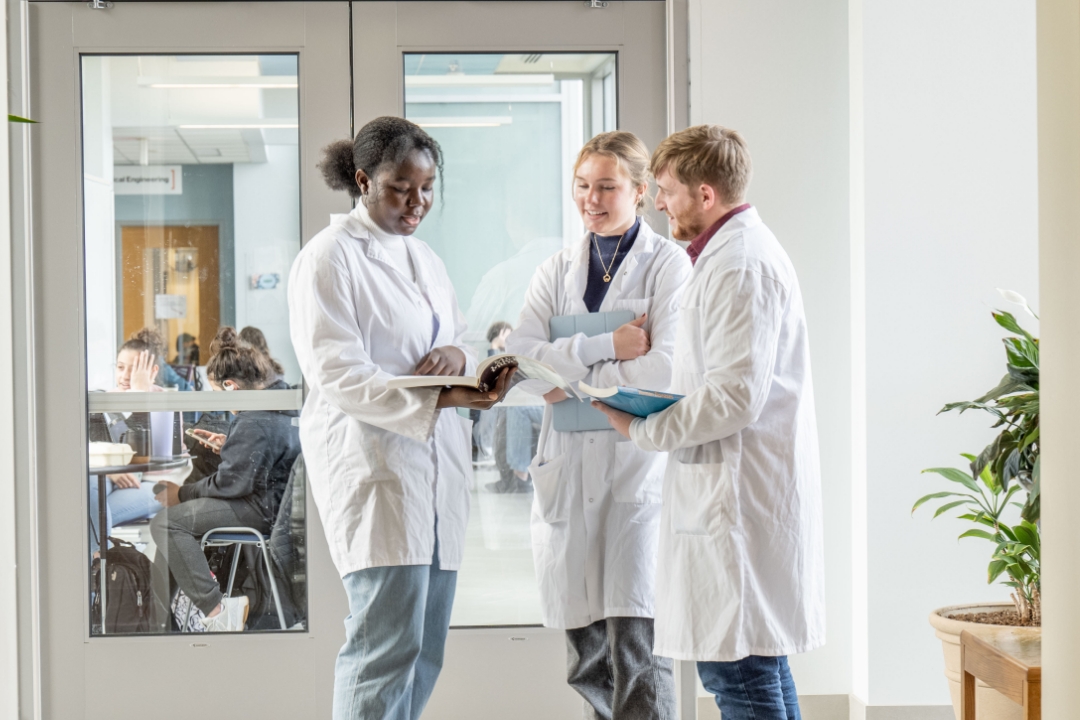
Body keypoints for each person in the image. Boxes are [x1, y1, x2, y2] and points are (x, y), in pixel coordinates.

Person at [591, 125, 825, 720]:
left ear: (705, 193)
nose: (658, 202)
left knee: (740, 676)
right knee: (755, 668)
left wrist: (642, 429)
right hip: (731, 496)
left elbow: (733, 398)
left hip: (736, 503)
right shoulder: (727, 257)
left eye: (665, 191)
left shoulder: (740, 265)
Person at [287, 116, 514, 720]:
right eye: (400, 188)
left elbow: (459, 333)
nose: (417, 203)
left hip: (435, 474)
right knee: (383, 648)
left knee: (424, 648)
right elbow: (338, 374)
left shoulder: (426, 259)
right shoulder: (329, 259)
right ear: (363, 181)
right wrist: (440, 397)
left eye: (428, 188)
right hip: (377, 472)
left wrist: (461, 357)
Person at [506, 131, 691, 719]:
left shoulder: (669, 266)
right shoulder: (554, 269)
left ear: (640, 190)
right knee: (585, 660)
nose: (591, 198)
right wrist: (608, 344)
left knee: (637, 654)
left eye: (607, 186)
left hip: (635, 474)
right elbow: (524, 368)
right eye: (582, 186)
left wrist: (569, 369)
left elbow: (665, 369)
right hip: (568, 475)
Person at [149, 326, 302, 632]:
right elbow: (257, 460)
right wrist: (229, 444)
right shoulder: (278, 403)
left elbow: (231, 484)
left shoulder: (253, 419)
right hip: (270, 504)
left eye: (218, 392)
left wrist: (182, 493)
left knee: (165, 523)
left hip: (256, 509)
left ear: (230, 385)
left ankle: (217, 610)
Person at [88, 328, 177, 554]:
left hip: (155, 484)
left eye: (135, 369)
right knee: (89, 488)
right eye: (120, 367)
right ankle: (103, 571)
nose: (126, 376)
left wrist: (139, 394)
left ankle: (100, 572)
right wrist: (111, 472)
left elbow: (156, 456)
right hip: (110, 482)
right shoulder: (104, 401)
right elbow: (96, 451)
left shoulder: (163, 400)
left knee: (89, 514)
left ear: (152, 371)